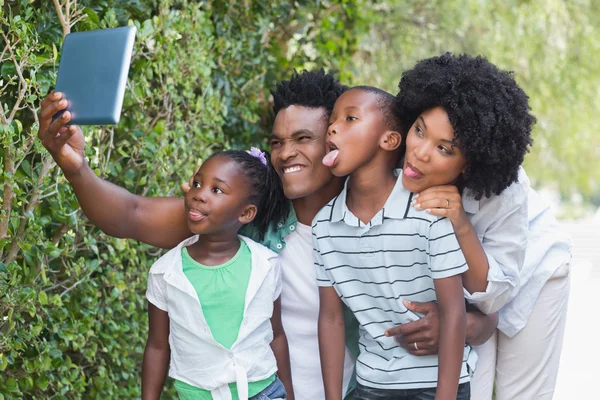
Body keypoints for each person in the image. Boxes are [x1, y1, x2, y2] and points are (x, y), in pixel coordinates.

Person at [37, 69, 497, 399]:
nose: (285, 154)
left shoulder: (415, 210)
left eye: (304, 139)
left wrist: (455, 325)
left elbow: (484, 314)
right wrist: (77, 169)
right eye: (277, 142)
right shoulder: (247, 221)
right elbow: (135, 215)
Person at [389, 53, 571, 400]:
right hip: (461, 293)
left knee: (521, 395)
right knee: (475, 385)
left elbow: (493, 297)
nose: (420, 154)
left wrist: (460, 222)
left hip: (531, 269)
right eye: (419, 131)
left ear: (471, 162)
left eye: (444, 148)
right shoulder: (396, 158)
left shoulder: (506, 189)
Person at [315, 86, 473, 400]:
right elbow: (331, 317)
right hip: (370, 384)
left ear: (389, 140)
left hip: (434, 387)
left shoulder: (429, 213)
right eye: (332, 120)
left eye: (350, 119)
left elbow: (454, 314)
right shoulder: (324, 226)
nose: (332, 127)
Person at [143, 149, 294, 400]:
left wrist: (289, 394)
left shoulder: (265, 264)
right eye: (197, 184)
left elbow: (276, 333)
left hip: (264, 392)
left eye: (217, 190)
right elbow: (157, 347)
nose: (198, 195)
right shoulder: (165, 273)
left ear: (245, 213)